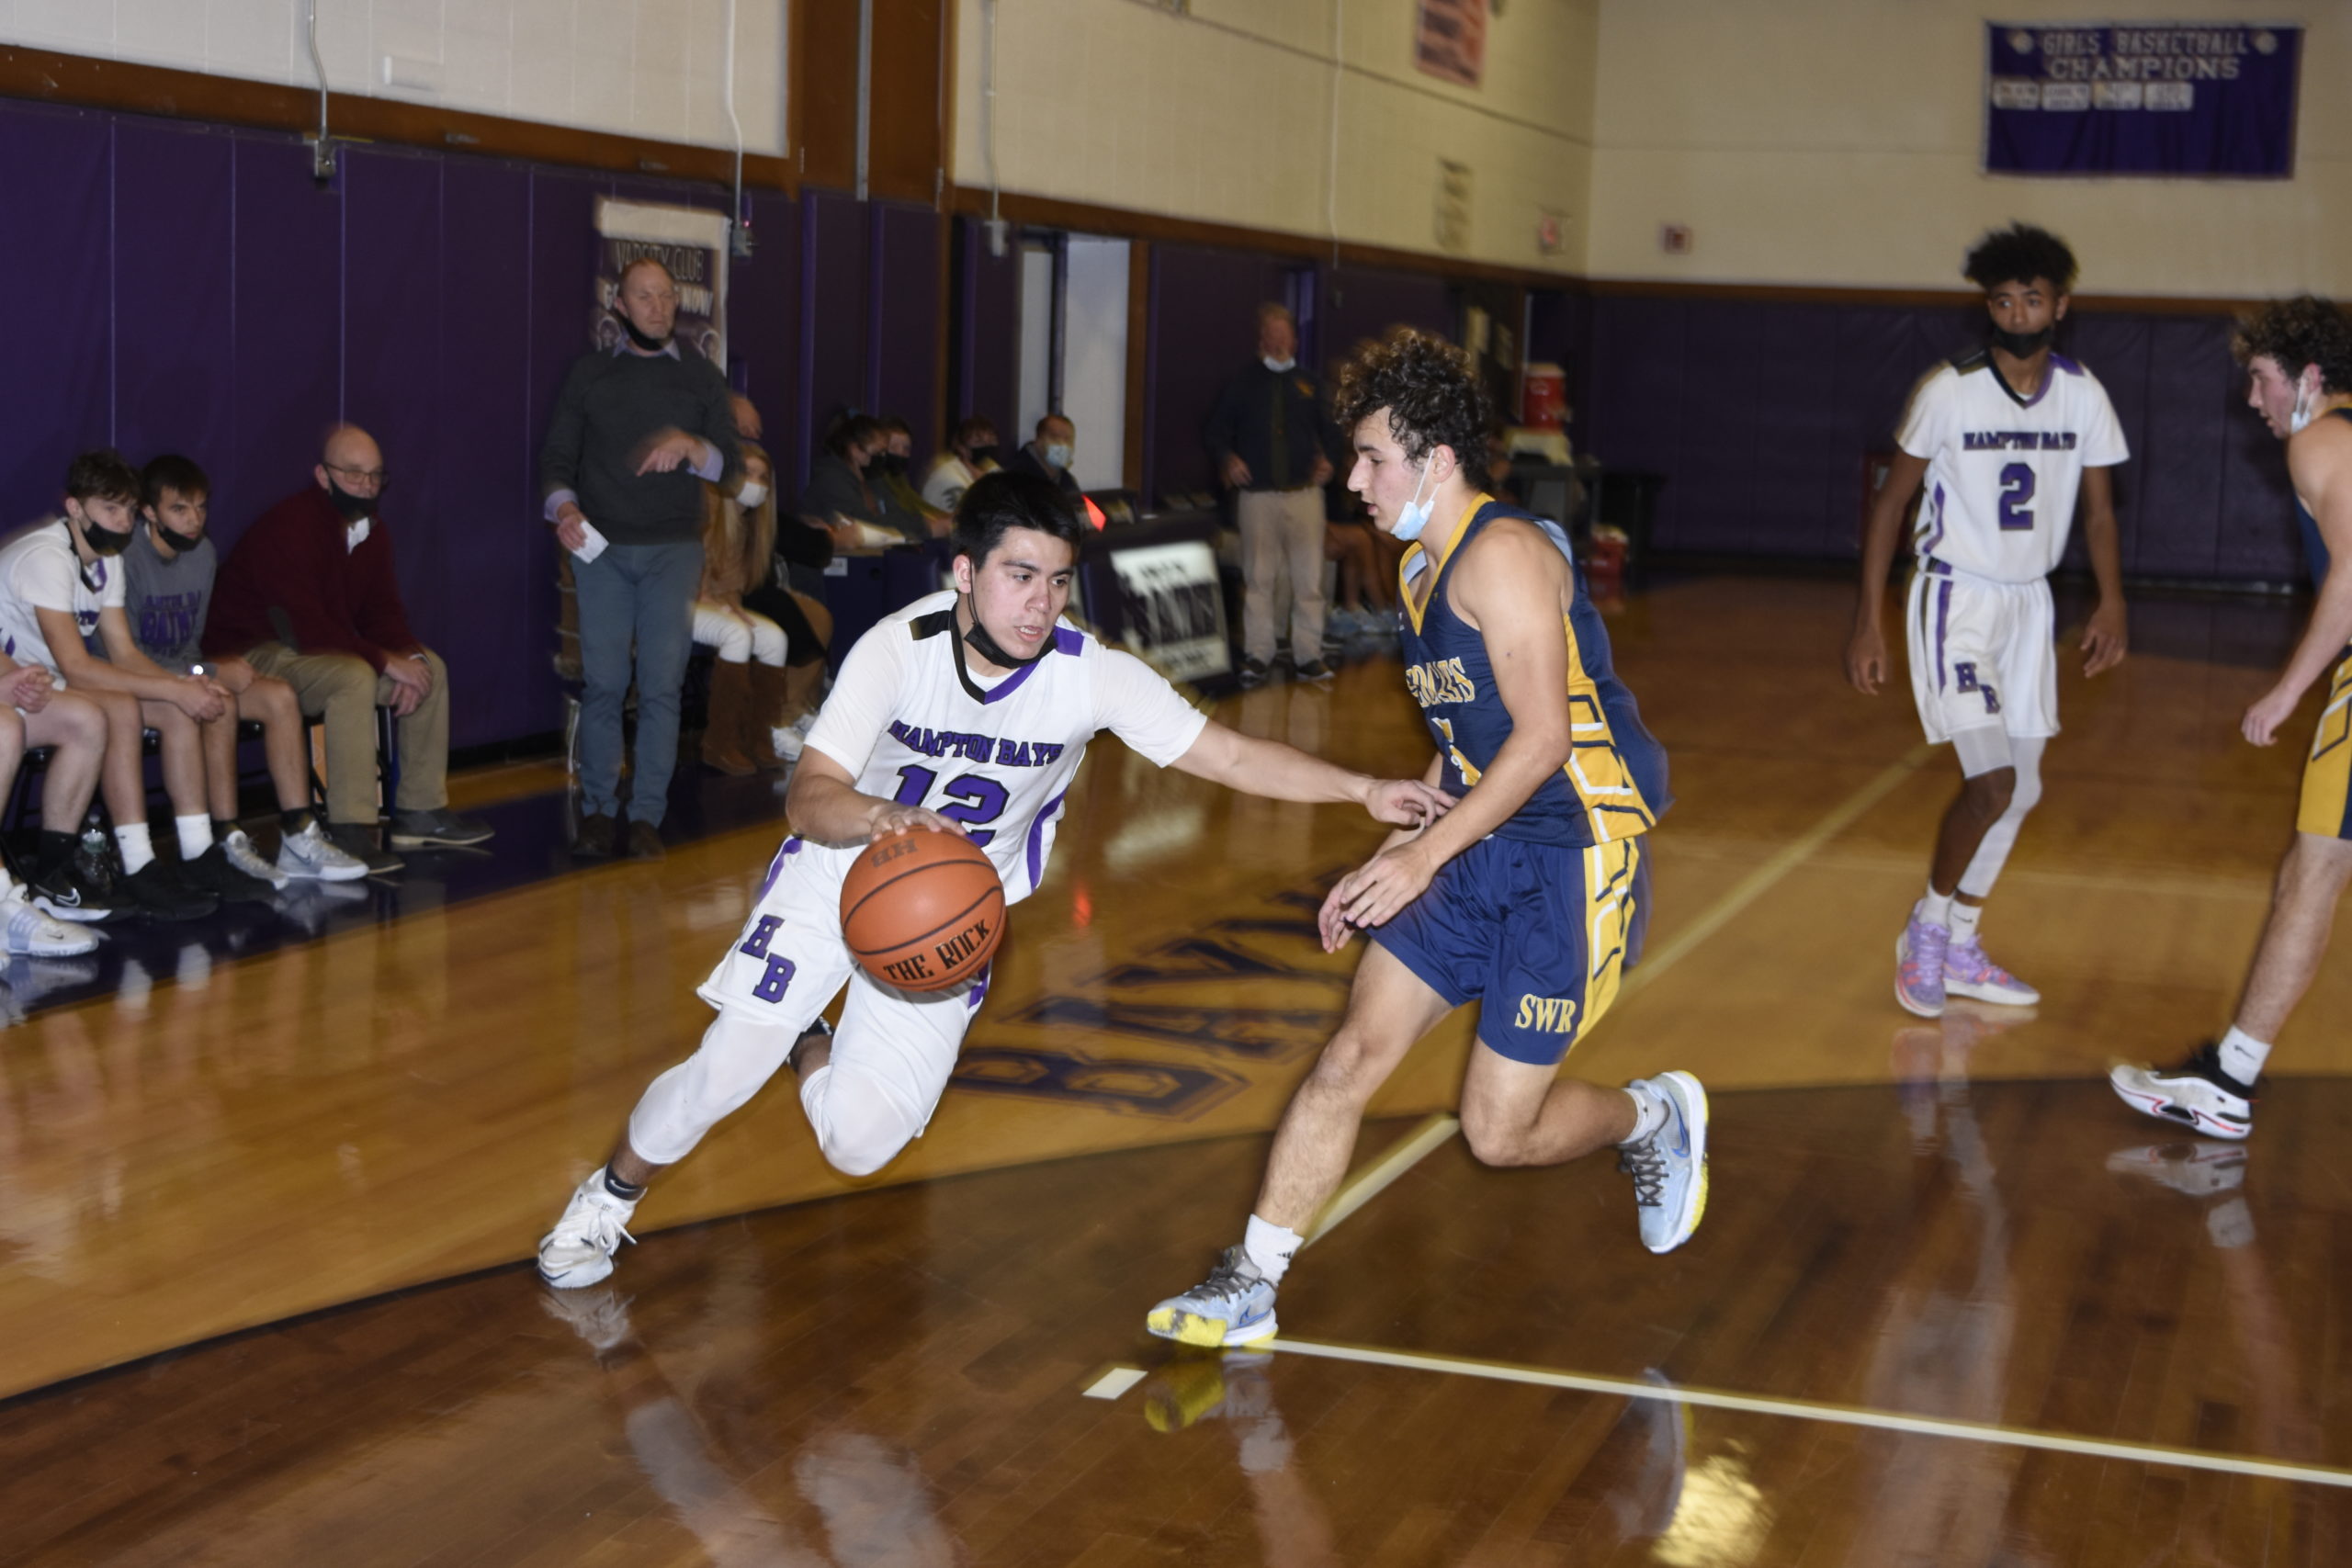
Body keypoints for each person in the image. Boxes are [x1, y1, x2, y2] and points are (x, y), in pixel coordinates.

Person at [536, 469, 1453, 1290]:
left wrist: (1364, 787)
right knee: (716, 1078)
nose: (1040, 602)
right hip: (839, 873)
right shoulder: (899, 647)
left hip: (950, 918)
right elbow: (809, 797)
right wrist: (881, 818)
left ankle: (806, 1040)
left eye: (1056, 580)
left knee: (856, 1143)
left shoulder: (1089, 674)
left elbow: (1228, 758)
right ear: (964, 573)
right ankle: (608, 1199)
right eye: (1019, 575)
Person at [1146, 327, 1704, 1351]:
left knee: (1499, 1136)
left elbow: (1538, 744)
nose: (1353, 479)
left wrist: (1421, 857)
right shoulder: (1415, 571)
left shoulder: (1506, 557)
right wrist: (1396, 847)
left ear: (1435, 460)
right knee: (1350, 1056)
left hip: (1574, 853)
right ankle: (1251, 1282)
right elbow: (1467, 735)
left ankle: (1652, 1117)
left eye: (1371, 458)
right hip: (1476, 844)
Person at [1846, 223, 2128, 1019]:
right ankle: (1926, 931)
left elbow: (2102, 514)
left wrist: (2112, 598)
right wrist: (1869, 619)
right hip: (1954, 598)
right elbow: (1891, 502)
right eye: (2001, 300)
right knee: (1992, 780)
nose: (2015, 313)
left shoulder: (2084, 394)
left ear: (2060, 305)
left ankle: (1963, 940)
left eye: (2031, 298)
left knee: (2025, 786)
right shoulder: (1949, 388)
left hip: (2029, 604)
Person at [2111, 298, 2352, 1140]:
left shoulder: (2320, 440)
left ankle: (2229, 1077)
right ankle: (2231, 1072)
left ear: (2309, 378)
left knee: (2314, 870)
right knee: (2313, 868)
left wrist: (2290, 691)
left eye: (2261, 379)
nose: (2253, 400)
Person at [208, 425, 492, 874]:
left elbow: (382, 611)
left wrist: (408, 655)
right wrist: (385, 660)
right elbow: (305, 628)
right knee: (353, 676)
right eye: (354, 473)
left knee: (428, 667)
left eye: (376, 476)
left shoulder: (372, 532)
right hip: (255, 651)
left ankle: (420, 811)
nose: (366, 485)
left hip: (316, 646)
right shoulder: (289, 527)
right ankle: (350, 826)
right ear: (323, 475)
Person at [541, 256, 742, 861]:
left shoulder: (702, 378)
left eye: (665, 296)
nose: (656, 306)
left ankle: (647, 814)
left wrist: (692, 445)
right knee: (605, 683)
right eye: (643, 296)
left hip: (673, 550)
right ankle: (600, 810)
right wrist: (565, 509)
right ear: (620, 307)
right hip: (601, 550)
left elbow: (730, 469)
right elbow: (556, 458)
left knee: (661, 686)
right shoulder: (590, 375)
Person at [0, 450, 235, 920]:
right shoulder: (47, 557)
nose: (123, 521)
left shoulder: (107, 560)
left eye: (129, 509)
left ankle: (193, 851)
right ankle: (133, 860)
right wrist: (178, 686)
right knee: (123, 707)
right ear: (75, 508)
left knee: (171, 710)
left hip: (46, 684)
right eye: (111, 509)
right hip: (17, 682)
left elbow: (125, 652)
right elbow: (79, 666)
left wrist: (187, 687)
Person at [125, 455, 369, 886]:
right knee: (217, 698)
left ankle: (298, 833)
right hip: (133, 680)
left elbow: (190, 649)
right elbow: (128, 655)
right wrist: (209, 672)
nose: (193, 520)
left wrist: (204, 668)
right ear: (148, 511)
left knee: (279, 696)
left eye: (201, 508)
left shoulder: (202, 554)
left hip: (185, 672)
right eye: (179, 509)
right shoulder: (127, 559)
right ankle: (225, 837)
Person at [1205, 303, 1341, 686]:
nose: (1279, 343)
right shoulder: (1242, 383)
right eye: (1272, 336)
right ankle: (1258, 654)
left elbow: (1333, 433)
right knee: (1260, 579)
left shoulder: (1310, 384)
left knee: (1308, 581)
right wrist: (1228, 459)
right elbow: (1215, 432)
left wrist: (1330, 461)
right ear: (1261, 340)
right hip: (1258, 498)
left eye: (1285, 336)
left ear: (1294, 340)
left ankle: (1308, 656)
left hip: (1304, 497)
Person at [691, 443, 791, 775]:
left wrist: (731, 605)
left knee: (775, 637)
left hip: (712, 603)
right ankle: (720, 742)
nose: (756, 483)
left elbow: (732, 586)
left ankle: (758, 737)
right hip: (673, 600)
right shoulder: (704, 505)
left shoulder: (749, 525)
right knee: (736, 634)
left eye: (763, 477)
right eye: (748, 473)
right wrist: (710, 598)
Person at [801, 414, 902, 542]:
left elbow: (896, 514)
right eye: (878, 452)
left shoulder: (873, 480)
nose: (882, 457)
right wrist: (923, 527)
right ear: (855, 449)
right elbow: (866, 525)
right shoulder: (831, 482)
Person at [874, 416, 951, 539]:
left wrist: (946, 517)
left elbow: (917, 505)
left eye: (906, 449)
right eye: (893, 447)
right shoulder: (875, 482)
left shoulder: (900, 480)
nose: (900, 453)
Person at [922, 417, 1000, 513]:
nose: (986, 446)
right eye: (978, 442)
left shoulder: (994, 470)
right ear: (961, 448)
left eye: (991, 440)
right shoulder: (948, 477)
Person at [1007, 413, 1082, 499]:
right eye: (1055, 438)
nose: (1063, 445)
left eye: (1068, 439)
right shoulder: (1015, 477)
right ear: (1038, 440)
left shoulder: (1068, 481)